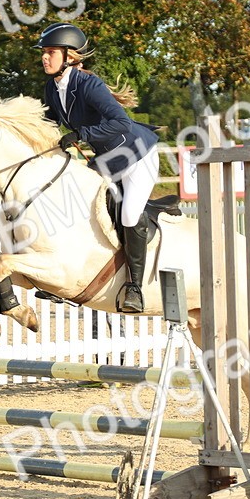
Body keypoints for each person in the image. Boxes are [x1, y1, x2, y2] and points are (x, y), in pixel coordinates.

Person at [35, 22, 159, 313]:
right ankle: (61, 278)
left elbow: (121, 122)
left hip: (137, 155)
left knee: (129, 214)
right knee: (77, 207)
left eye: (50, 52)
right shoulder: (52, 89)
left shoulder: (88, 84)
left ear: (69, 56)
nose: (44, 57)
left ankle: (135, 288)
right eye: (44, 52)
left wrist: (82, 135)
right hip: (105, 159)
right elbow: (51, 123)